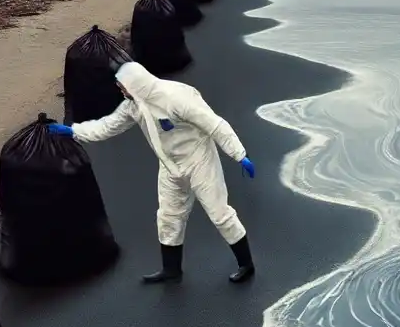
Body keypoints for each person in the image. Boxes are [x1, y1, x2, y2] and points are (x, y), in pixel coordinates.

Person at [47, 62, 257, 284]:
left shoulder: (175, 98)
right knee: (168, 216)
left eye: (123, 86)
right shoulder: (134, 105)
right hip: (170, 167)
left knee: (219, 213)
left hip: (199, 161)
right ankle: (171, 269)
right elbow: (107, 126)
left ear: (135, 84)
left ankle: (246, 264)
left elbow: (214, 124)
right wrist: (73, 132)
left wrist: (239, 154)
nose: (121, 90)